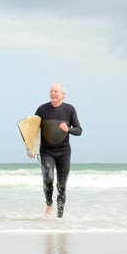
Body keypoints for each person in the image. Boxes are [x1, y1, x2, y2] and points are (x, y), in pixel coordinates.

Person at [32, 83, 82, 218]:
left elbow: (79, 130)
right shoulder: (42, 109)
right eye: (51, 91)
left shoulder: (69, 109)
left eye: (56, 91)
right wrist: (31, 148)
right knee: (48, 178)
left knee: (62, 186)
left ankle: (60, 217)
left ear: (63, 95)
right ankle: (49, 204)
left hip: (64, 152)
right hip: (46, 151)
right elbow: (32, 130)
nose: (53, 93)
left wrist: (68, 129)